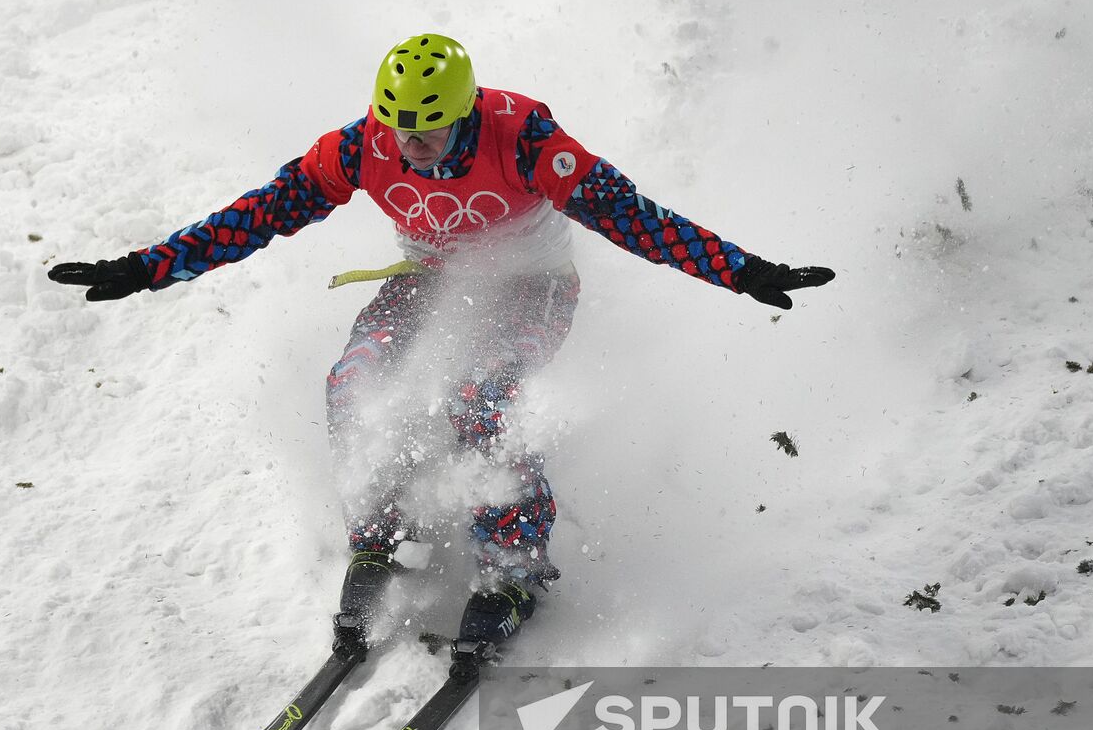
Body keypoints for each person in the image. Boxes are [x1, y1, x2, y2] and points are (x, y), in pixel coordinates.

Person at [48, 33, 834, 669]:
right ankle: (378, 531)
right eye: (398, 131)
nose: (410, 148)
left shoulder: (525, 138)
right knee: (353, 382)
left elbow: (634, 217)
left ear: (463, 117)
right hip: (428, 280)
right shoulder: (364, 147)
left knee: (481, 401)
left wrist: (743, 271)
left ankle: (514, 569)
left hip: (531, 287)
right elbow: (264, 211)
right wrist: (145, 267)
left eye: (425, 132)